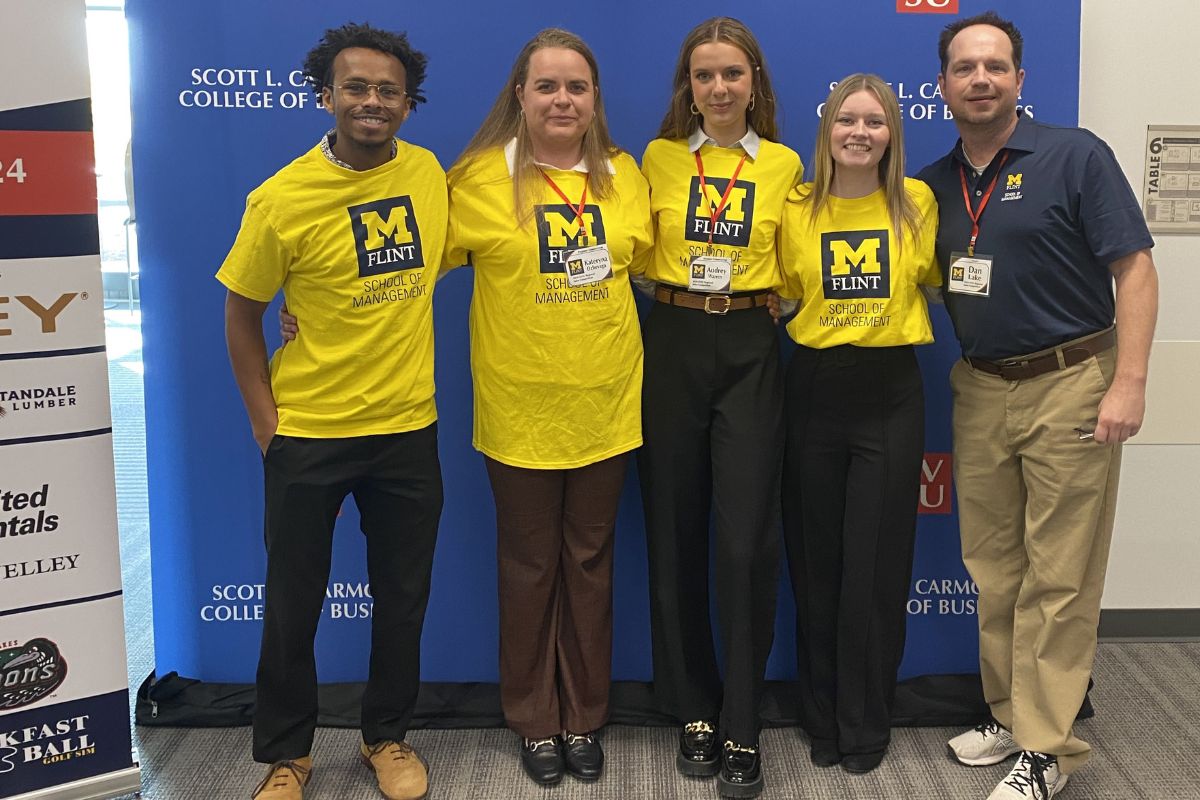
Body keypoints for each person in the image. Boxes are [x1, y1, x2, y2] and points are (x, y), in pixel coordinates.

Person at [917, 11, 1158, 800]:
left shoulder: (1075, 155)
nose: (980, 79)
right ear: (943, 85)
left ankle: (1048, 746)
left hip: (1073, 382)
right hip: (982, 387)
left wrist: (1129, 382)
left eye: (995, 66)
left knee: (1061, 574)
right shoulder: (931, 184)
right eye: (964, 68)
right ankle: (1012, 713)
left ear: (1020, 79)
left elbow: (1135, 269)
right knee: (995, 568)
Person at [217, 23, 444, 800]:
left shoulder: (430, 177)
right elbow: (243, 314)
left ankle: (387, 737)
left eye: (388, 90)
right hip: (309, 433)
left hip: (408, 430)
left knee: (404, 599)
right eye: (357, 87)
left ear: (408, 106)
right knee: (290, 605)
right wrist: (264, 422)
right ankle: (287, 755)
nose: (373, 102)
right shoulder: (281, 199)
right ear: (326, 96)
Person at [442, 28, 652, 787]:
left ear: (595, 100)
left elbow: (658, 268)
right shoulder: (475, 179)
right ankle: (534, 720)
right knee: (529, 569)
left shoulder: (626, 177)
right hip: (518, 411)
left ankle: (584, 715)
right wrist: (308, 310)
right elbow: (407, 273)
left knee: (591, 567)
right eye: (547, 87)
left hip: (606, 405)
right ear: (520, 98)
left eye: (577, 87)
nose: (562, 99)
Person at [634, 16, 802, 799]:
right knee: (673, 530)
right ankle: (693, 708)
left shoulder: (785, 165)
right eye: (705, 75)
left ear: (755, 83)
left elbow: (802, 263)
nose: (719, 88)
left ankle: (742, 717)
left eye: (733, 74)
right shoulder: (659, 159)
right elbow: (624, 248)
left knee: (744, 543)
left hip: (748, 346)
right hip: (669, 339)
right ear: (688, 87)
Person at [777, 74, 939, 776]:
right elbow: (781, 297)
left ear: (892, 134)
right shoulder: (795, 207)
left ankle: (866, 722)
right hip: (812, 387)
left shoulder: (916, 204)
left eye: (875, 121)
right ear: (828, 129)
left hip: (889, 390)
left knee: (876, 568)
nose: (860, 133)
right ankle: (821, 716)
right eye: (847, 120)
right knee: (817, 563)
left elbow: (937, 277)